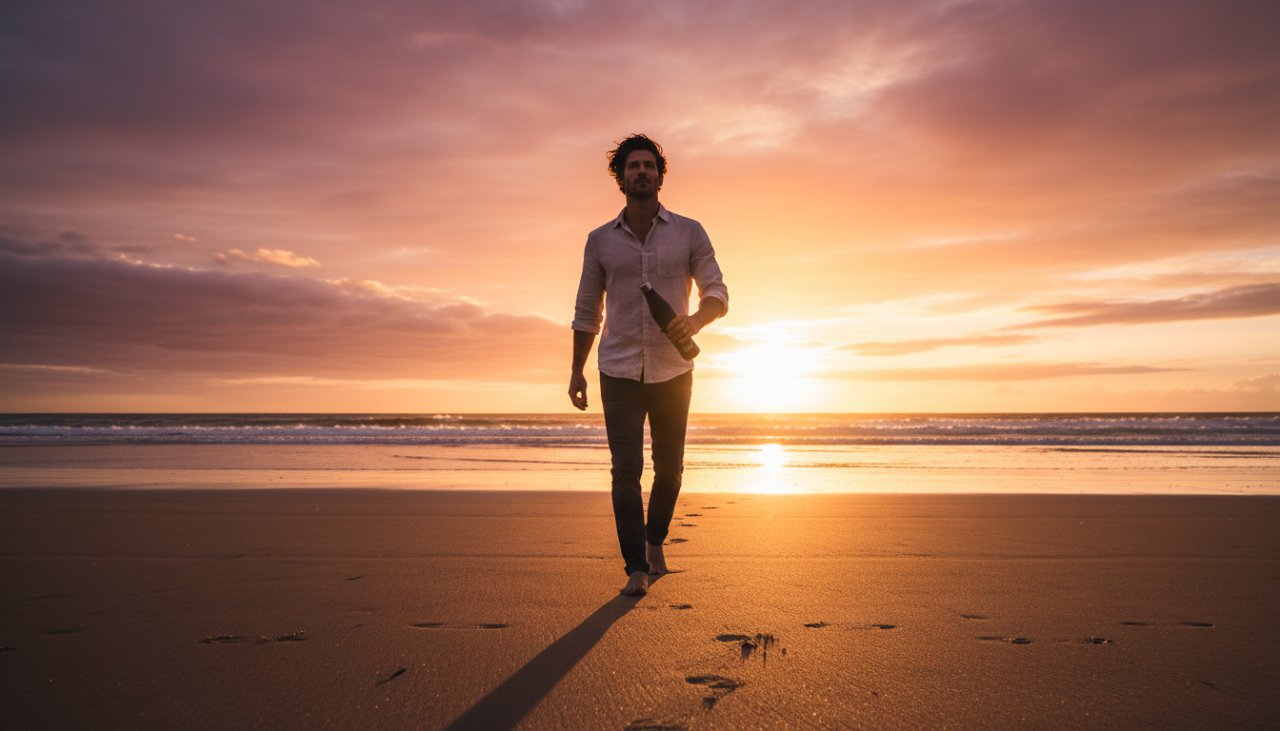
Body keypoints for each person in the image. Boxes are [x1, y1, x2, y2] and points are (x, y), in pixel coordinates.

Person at [569, 134, 729, 597]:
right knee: (625, 470)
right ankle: (635, 567)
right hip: (616, 368)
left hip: (673, 368)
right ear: (621, 179)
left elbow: (717, 290)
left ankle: (655, 540)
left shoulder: (689, 232)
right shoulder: (599, 241)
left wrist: (695, 320)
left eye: (649, 166)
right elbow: (585, 311)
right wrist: (577, 370)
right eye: (633, 166)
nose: (642, 172)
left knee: (670, 469)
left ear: (660, 176)